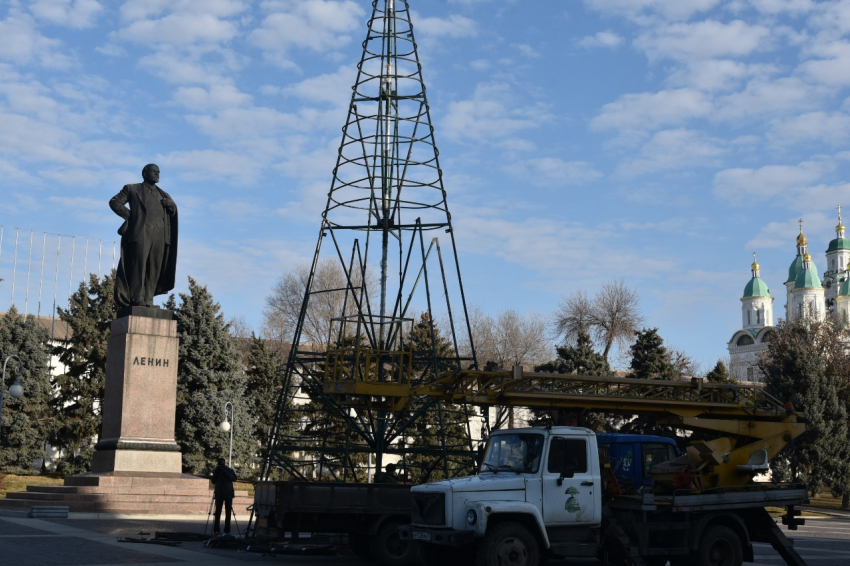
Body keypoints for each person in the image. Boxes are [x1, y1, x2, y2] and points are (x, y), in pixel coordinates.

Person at [109, 163, 178, 310]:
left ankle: (148, 299)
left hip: (160, 235)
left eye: (158, 172)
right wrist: (131, 217)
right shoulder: (132, 189)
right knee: (139, 265)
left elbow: (172, 213)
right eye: (154, 171)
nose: (157, 174)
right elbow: (114, 202)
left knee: (155, 267)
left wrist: (172, 206)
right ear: (145, 173)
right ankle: (137, 297)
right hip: (141, 233)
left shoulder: (163, 195)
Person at [211, 457, 237, 536]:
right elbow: (214, 481)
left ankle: (226, 530)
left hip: (228, 493)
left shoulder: (229, 470)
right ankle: (217, 529)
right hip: (220, 493)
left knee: (227, 512)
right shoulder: (217, 471)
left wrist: (224, 472)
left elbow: (234, 478)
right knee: (218, 512)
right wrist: (217, 473)